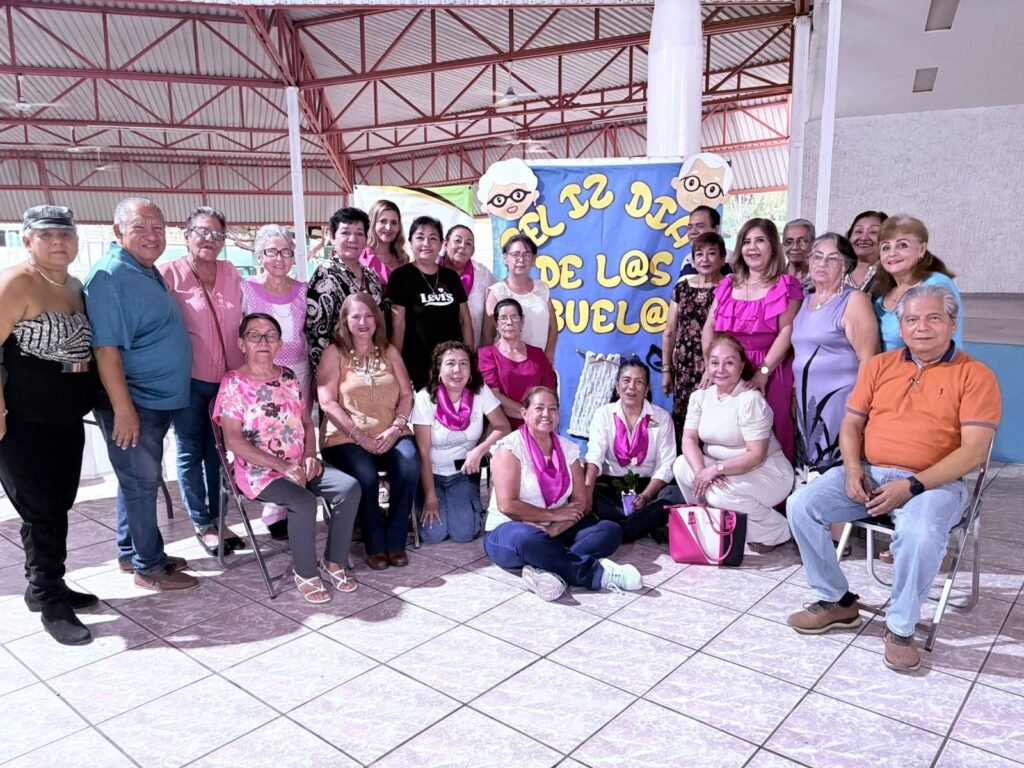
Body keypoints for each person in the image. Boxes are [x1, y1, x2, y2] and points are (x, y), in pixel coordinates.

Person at [786, 285, 1000, 672]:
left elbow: (972, 452)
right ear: (901, 328)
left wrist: (912, 486)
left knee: (919, 533)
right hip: (869, 471)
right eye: (912, 319)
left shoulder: (976, 376)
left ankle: (900, 628)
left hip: (935, 483)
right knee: (801, 504)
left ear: (951, 324)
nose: (922, 328)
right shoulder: (878, 366)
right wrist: (852, 469)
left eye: (934, 318)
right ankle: (837, 601)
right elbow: (851, 425)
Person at [85, 198, 198, 592]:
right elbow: (105, 349)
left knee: (134, 480)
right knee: (141, 483)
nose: (152, 235)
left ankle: (130, 551)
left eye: (158, 227)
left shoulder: (143, 269)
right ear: (118, 231)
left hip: (153, 399)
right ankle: (148, 567)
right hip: (134, 402)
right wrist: (124, 410)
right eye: (140, 227)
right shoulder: (110, 276)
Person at [0, 206, 99, 645]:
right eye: (47, 235)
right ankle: (50, 599)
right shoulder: (16, 282)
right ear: (26, 240)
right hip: (23, 421)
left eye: (66, 234)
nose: (59, 241)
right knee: (41, 510)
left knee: (54, 504)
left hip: (64, 416)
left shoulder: (74, 285)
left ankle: (43, 587)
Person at [215, 313, 361, 604]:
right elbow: (233, 440)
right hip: (258, 471)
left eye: (271, 335)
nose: (263, 341)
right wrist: (281, 466)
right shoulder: (233, 383)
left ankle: (333, 562)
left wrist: (310, 455)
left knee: (348, 488)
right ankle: (305, 573)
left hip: (299, 463)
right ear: (241, 343)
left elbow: (307, 423)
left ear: (280, 343)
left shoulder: (288, 377)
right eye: (254, 335)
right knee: (303, 501)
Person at [483, 386, 642, 601]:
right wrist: (553, 515)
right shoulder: (509, 448)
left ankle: (549, 570)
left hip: (557, 530)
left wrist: (553, 529)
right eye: (539, 408)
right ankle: (597, 574)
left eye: (553, 409)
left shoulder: (568, 450)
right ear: (524, 413)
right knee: (527, 539)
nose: (546, 415)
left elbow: (580, 501)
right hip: (511, 529)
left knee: (609, 530)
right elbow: (508, 505)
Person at [159, 206, 245, 557]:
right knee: (191, 449)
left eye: (217, 234)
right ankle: (202, 521)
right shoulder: (168, 274)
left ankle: (219, 518)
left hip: (228, 382)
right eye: (202, 232)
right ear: (186, 234)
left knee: (219, 452)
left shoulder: (230, 272)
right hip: (190, 380)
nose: (210, 239)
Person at [318, 293, 420, 570]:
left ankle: (396, 540)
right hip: (344, 437)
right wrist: (360, 436)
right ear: (345, 321)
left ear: (377, 319)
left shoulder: (388, 351)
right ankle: (375, 545)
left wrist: (396, 427)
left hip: (390, 431)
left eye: (368, 315)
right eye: (355, 316)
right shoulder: (333, 353)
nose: (363, 322)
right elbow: (327, 402)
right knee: (364, 473)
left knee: (410, 463)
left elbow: (407, 394)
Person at [674, 334, 795, 553]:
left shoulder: (750, 399)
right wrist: (702, 471)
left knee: (718, 494)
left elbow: (757, 455)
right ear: (707, 366)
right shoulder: (700, 397)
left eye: (729, 363)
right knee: (682, 466)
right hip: (723, 471)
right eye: (714, 363)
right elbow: (689, 439)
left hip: (768, 472)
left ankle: (778, 528)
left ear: (741, 367)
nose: (720, 369)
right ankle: (710, 523)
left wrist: (716, 470)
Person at [702, 217, 803, 461]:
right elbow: (709, 327)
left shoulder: (785, 285)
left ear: (772, 247)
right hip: (728, 368)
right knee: (729, 433)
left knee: (769, 435)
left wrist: (763, 373)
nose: (752, 247)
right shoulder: (727, 284)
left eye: (760, 241)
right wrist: (711, 365)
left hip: (771, 370)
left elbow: (786, 332)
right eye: (746, 241)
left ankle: (776, 495)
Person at [240, 224, 309, 541]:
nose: (279, 258)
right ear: (259, 256)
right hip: (261, 375)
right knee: (267, 437)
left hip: (298, 373)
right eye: (271, 251)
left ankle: (291, 500)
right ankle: (273, 503)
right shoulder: (247, 288)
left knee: (296, 433)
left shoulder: (304, 290)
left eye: (286, 252)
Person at [792, 233, 880, 472]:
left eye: (832, 259)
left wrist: (858, 407)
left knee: (834, 471)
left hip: (841, 404)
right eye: (817, 257)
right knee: (807, 473)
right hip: (806, 403)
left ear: (846, 265)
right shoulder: (805, 301)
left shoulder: (854, 300)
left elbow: (868, 360)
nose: (822, 264)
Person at [411, 342, 510, 544]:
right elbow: (422, 452)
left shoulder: (480, 392)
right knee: (434, 536)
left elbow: (503, 427)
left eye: (463, 363)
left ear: (471, 370)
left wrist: (479, 451)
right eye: (451, 363)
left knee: (464, 534)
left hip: (462, 474)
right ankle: (424, 501)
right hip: (432, 475)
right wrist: (430, 497)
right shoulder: (424, 399)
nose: (457, 370)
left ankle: (457, 504)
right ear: (439, 370)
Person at [585, 358, 681, 543]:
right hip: (611, 487)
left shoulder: (661, 417)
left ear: (646, 389)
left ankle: (619, 529)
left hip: (648, 488)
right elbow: (595, 455)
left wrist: (646, 496)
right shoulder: (603, 414)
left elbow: (666, 465)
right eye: (626, 380)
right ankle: (643, 525)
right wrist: (586, 492)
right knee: (584, 490)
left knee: (675, 495)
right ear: (617, 386)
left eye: (639, 382)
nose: (631, 387)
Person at [387, 215, 473, 390]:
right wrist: (395, 365)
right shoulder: (401, 276)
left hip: (452, 366)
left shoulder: (451, 277)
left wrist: (468, 359)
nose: (426, 243)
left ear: (441, 244)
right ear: (410, 242)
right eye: (420, 237)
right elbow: (398, 325)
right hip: (416, 365)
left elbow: (465, 320)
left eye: (433, 238)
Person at [662, 231, 727, 437]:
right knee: (684, 419)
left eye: (711, 253)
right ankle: (684, 466)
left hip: (717, 366)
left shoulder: (729, 288)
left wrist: (712, 366)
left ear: (723, 258)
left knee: (714, 420)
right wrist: (666, 370)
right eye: (699, 254)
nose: (705, 259)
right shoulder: (682, 288)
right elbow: (670, 331)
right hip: (683, 369)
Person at [305, 207, 385, 372]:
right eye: (345, 232)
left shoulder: (371, 275)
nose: (352, 239)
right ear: (333, 237)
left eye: (359, 233)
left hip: (373, 365)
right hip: (340, 368)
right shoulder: (325, 274)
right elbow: (317, 333)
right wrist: (323, 375)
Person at [873, 214, 963, 352]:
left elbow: (942, 340)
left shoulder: (936, 284)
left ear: (921, 250)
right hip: (885, 371)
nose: (892, 253)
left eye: (902, 245)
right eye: (885, 247)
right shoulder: (880, 294)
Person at [478, 298, 557, 429]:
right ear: (496, 325)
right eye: (503, 318)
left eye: (514, 317)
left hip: (538, 424)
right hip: (503, 425)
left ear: (522, 322)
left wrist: (535, 417)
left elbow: (548, 393)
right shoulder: (486, 354)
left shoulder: (538, 354)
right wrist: (528, 414)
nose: (509, 322)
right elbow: (493, 396)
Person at [482, 235, 558, 361]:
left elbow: (553, 326)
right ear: (505, 258)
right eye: (515, 254)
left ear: (533, 259)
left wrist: (548, 356)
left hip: (539, 364)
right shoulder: (497, 292)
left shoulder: (542, 288)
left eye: (526, 255)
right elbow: (487, 336)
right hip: (507, 367)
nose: (521, 259)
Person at [439, 224, 496, 347]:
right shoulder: (430, 270)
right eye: (457, 240)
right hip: (435, 352)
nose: (462, 246)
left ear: (473, 251)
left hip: (473, 351)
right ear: (445, 244)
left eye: (468, 243)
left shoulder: (483, 274)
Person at [359, 199, 408, 287]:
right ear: (372, 224)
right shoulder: (361, 257)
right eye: (383, 221)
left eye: (394, 222)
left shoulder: (404, 259)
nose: (389, 227)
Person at [678, 205, 730, 279]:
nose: (693, 231)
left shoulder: (731, 261)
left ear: (716, 229)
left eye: (700, 226)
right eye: (690, 227)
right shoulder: (688, 260)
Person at [845, 210, 887, 292]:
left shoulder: (893, 273)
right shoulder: (836, 269)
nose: (863, 238)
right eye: (858, 231)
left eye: (873, 232)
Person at [783, 218, 815, 286]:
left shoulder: (819, 277)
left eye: (802, 241)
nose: (795, 247)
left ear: (813, 244)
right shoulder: (775, 278)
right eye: (789, 241)